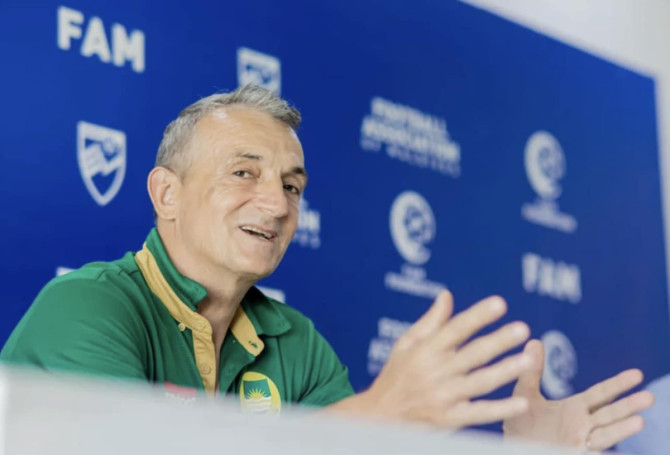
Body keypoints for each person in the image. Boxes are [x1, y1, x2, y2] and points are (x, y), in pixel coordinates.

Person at [0, 86, 653, 450]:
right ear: (166, 193)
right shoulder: (85, 307)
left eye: (292, 185)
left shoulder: (292, 338)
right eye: (244, 173)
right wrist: (380, 414)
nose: (277, 204)